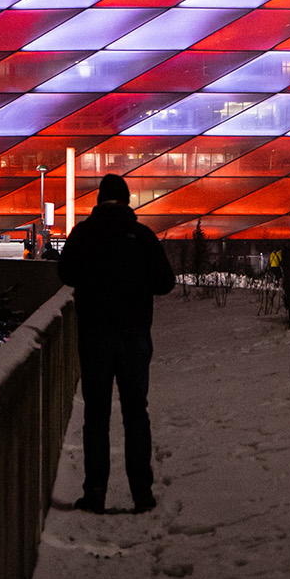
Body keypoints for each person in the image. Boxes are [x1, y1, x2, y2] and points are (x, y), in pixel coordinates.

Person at [57, 174, 175, 514]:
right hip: (135, 334)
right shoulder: (141, 236)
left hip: (94, 334)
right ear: (126, 201)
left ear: (99, 201)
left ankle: (95, 493)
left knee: (96, 414)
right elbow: (165, 281)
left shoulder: (83, 234)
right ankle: (142, 494)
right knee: (136, 413)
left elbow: (65, 273)